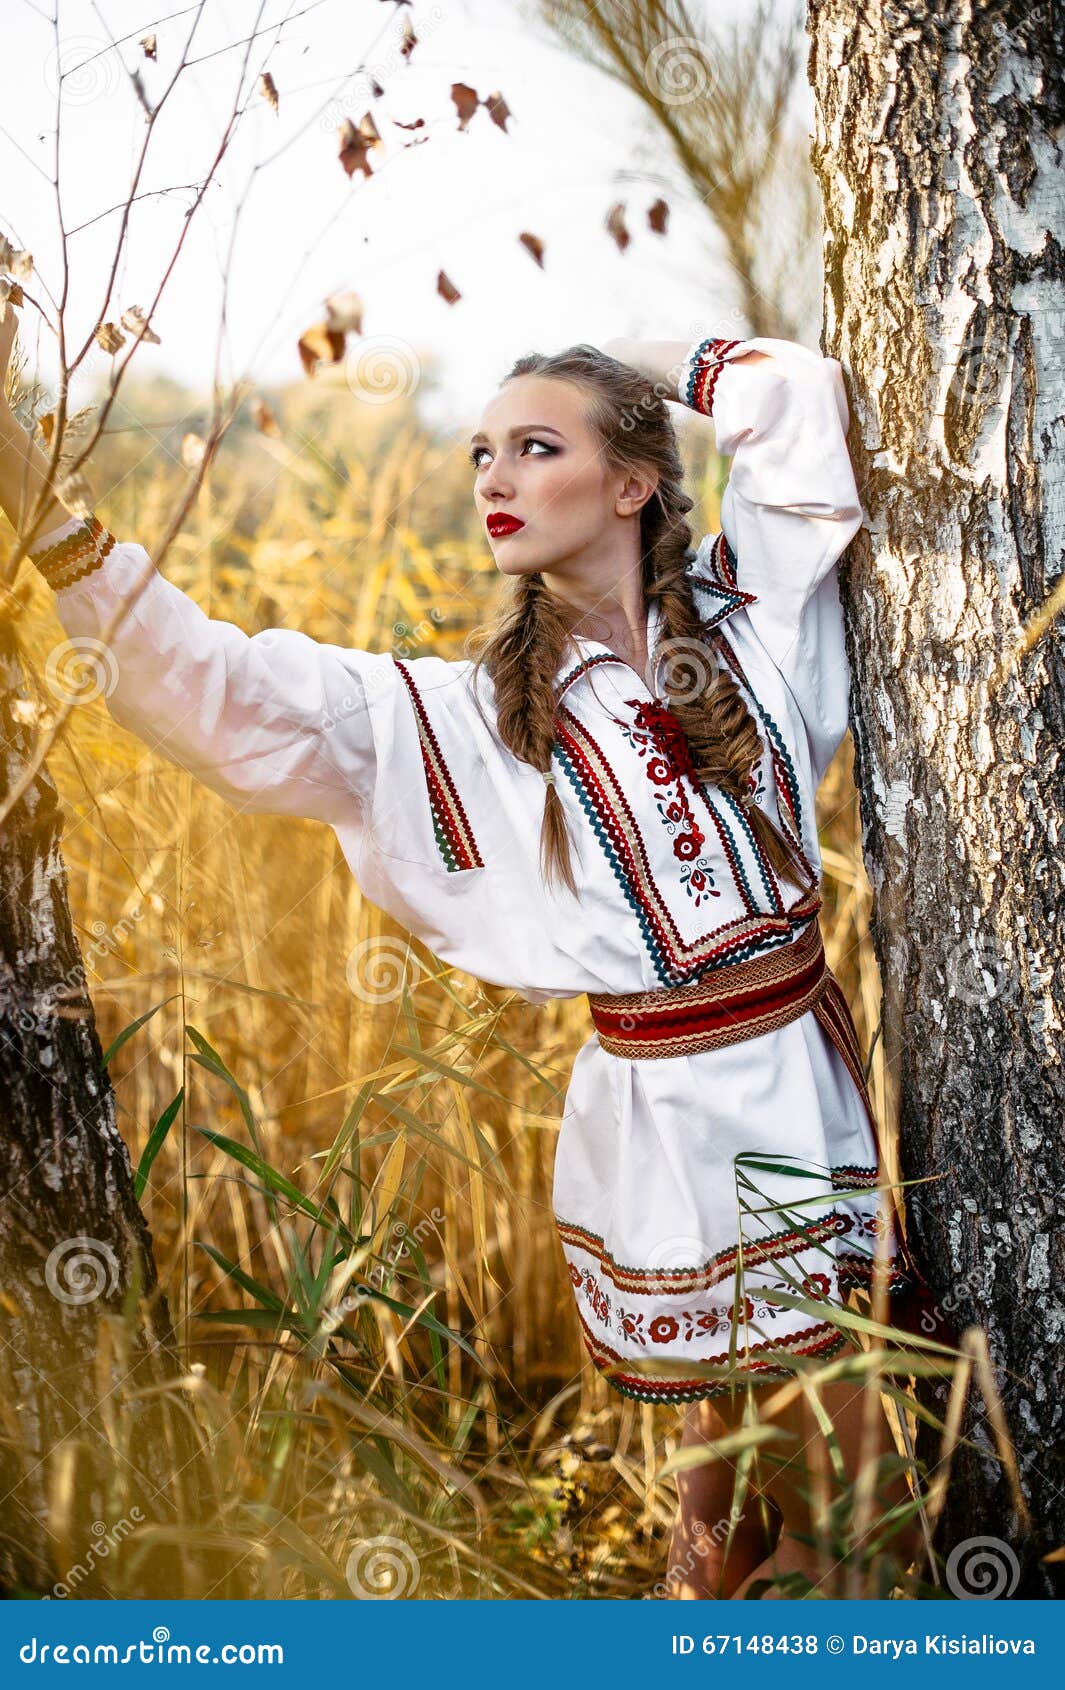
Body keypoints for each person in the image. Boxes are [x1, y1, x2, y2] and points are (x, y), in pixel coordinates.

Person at [0, 301, 920, 1596]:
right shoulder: (466, 718)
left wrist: (631, 352)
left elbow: (799, 404)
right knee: (802, 1484)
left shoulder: (745, 602)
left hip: (803, 1077)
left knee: (800, 1481)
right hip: (673, 1104)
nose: (493, 477)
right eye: (479, 453)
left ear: (633, 480)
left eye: (536, 445)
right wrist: (58, 536)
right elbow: (218, 691)